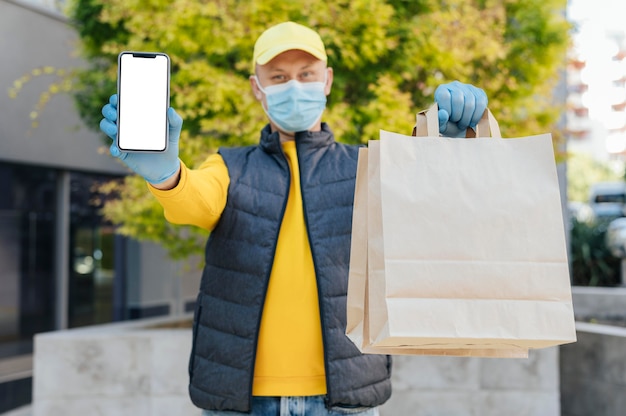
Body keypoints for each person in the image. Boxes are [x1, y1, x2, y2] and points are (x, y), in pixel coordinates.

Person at [100, 21, 488, 416]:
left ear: (327, 80)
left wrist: (446, 150)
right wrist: (167, 174)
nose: (295, 86)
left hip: (344, 399)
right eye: (280, 77)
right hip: (241, 400)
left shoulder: (364, 168)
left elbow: (422, 203)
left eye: (306, 75)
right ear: (258, 87)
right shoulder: (229, 167)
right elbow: (193, 202)